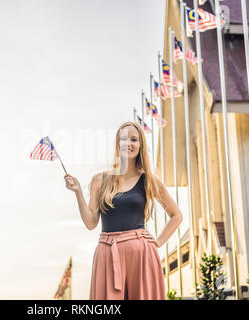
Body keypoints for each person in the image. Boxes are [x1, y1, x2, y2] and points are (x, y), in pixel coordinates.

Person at [64, 121, 183, 300]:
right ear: (117, 144)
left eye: (134, 139)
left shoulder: (149, 180)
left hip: (141, 256)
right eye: (124, 139)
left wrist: (158, 241)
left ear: (140, 145)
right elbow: (91, 223)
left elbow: (176, 216)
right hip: (107, 254)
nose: (129, 143)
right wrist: (78, 192)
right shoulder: (99, 180)